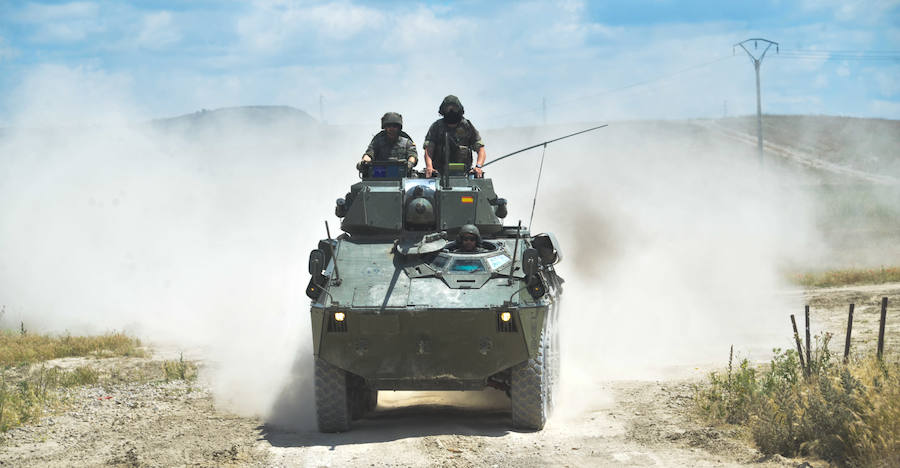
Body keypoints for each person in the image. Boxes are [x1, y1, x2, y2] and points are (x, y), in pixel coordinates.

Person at [423, 95, 486, 178]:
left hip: (463, 174)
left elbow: (481, 149)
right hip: (439, 174)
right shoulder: (437, 127)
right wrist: (429, 167)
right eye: (448, 108)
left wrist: (478, 167)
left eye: (454, 108)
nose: (451, 111)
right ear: (443, 110)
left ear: (459, 109)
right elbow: (429, 150)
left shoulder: (467, 126)